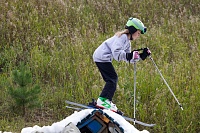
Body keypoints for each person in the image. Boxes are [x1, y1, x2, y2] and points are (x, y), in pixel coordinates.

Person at [93, 17, 151, 112]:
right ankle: (103, 100)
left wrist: (142, 55)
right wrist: (130, 55)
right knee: (112, 78)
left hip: (104, 58)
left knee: (112, 78)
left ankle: (105, 100)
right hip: (101, 56)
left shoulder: (127, 42)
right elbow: (117, 54)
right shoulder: (121, 37)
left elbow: (128, 58)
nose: (138, 35)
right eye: (138, 32)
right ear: (132, 30)